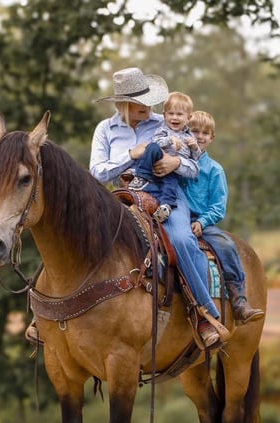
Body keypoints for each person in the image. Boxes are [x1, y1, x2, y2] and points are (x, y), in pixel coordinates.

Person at [88, 67, 229, 348]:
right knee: (79, 230)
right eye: (140, 101)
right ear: (123, 104)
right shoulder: (105, 129)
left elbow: (194, 160)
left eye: (149, 100)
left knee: (181, 240)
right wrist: (132, 154)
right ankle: (50, 316)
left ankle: (202, 314)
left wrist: (177, 163)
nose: (148, 106)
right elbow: (96, 173)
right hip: (123, 193)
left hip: (167, 193)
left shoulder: (165, 122)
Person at [184, 111, 265, 324]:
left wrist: (202, 222)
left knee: (226, 245)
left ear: (212, 138)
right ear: (185, 132)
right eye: (194, 131)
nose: (199, 136)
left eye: (205, 133)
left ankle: (239, 299)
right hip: (176, 219)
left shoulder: (214, 170)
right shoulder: (178, 164)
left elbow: (219, 207)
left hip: (203, 221)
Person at [125, 92, 202, 223]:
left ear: (188, 118)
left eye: (179, 114)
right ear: (164, 115)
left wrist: (195, 147)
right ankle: (141, 177)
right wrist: (170, 140)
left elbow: (195, 158)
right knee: (151, 147)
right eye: (171, 114)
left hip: (173, 170)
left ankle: (165, 206)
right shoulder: (163, 129)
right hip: (158, 158)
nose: (175, 118)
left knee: (170, 185)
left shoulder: (190, 137)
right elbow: (157, 141)